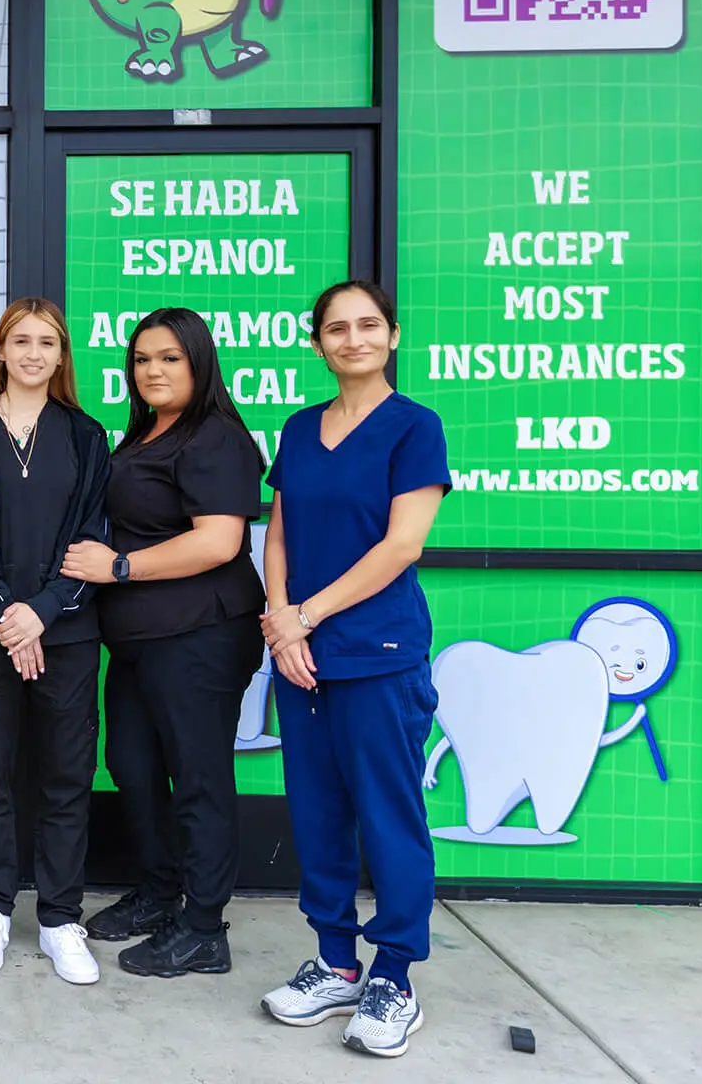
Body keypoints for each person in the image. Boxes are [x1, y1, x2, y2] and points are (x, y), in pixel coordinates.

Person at [255, 281, 450, 1060]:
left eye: (368, 325)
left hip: (377, 655)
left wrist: (306, 614)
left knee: (389, 817)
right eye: (337, 328)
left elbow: (402, 545)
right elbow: (277, 532)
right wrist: (279, 620)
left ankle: (394, 976)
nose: (353, 339)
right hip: (299, 656)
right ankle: (336, 962)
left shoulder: (414, 428)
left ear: (392, 336)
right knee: (317, 814)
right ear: (318, 343)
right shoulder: (301, 429)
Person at [59, 308, 266, 977]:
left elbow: (219, 541)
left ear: (199, 361)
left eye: (170, 357)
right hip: (139, 640)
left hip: (200, 635)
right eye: (143, 359)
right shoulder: (147, 434)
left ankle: (204, 928)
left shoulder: (215, 438)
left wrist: (119, 567)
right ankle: (158, 892)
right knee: (135, 768)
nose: (154, 370)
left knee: (198, 779)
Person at [0, 297, 111, 986]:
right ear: (0, 352)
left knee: (66, 775)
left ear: (62, 356)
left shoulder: (87, 436)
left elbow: (93, 537)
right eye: (21, 341)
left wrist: (42, 613)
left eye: (48, 343)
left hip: (66, 632)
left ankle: (62, 917)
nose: (34, 353)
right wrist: (9, 615)